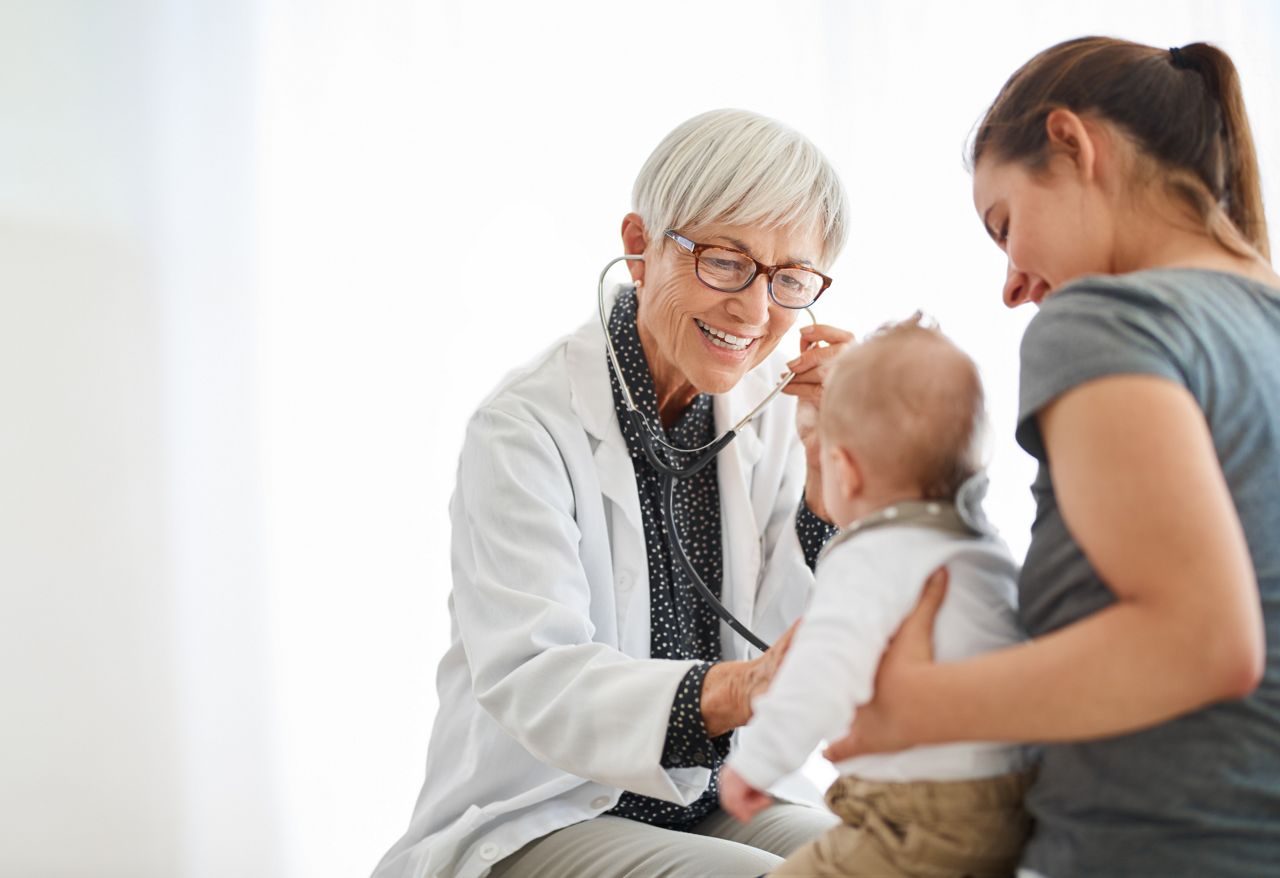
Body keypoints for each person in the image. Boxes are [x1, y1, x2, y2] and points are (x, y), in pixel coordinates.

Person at [823, 37, 1280, 878]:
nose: (1011, 284)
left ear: (1071, 144)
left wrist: (916, 706)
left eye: (1005, 225)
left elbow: (1206, 641)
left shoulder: (1105, 319)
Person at [372, 109, 856, 878]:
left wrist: (837, 483)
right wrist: (738, 690)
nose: (756, 311)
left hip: (718, 796)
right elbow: (537, 679)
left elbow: (796, 646)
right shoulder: (524, 428)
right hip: (547, 809)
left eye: (790, 280)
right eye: (726, 262)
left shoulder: (775, 417)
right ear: (639, 246)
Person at [719, 318, 1035, 878]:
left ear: (843, 468)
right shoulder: (983, 550)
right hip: (1011, 807)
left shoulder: (870, 556)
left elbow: (819, 671)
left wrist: (756, 765)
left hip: (915, 815)